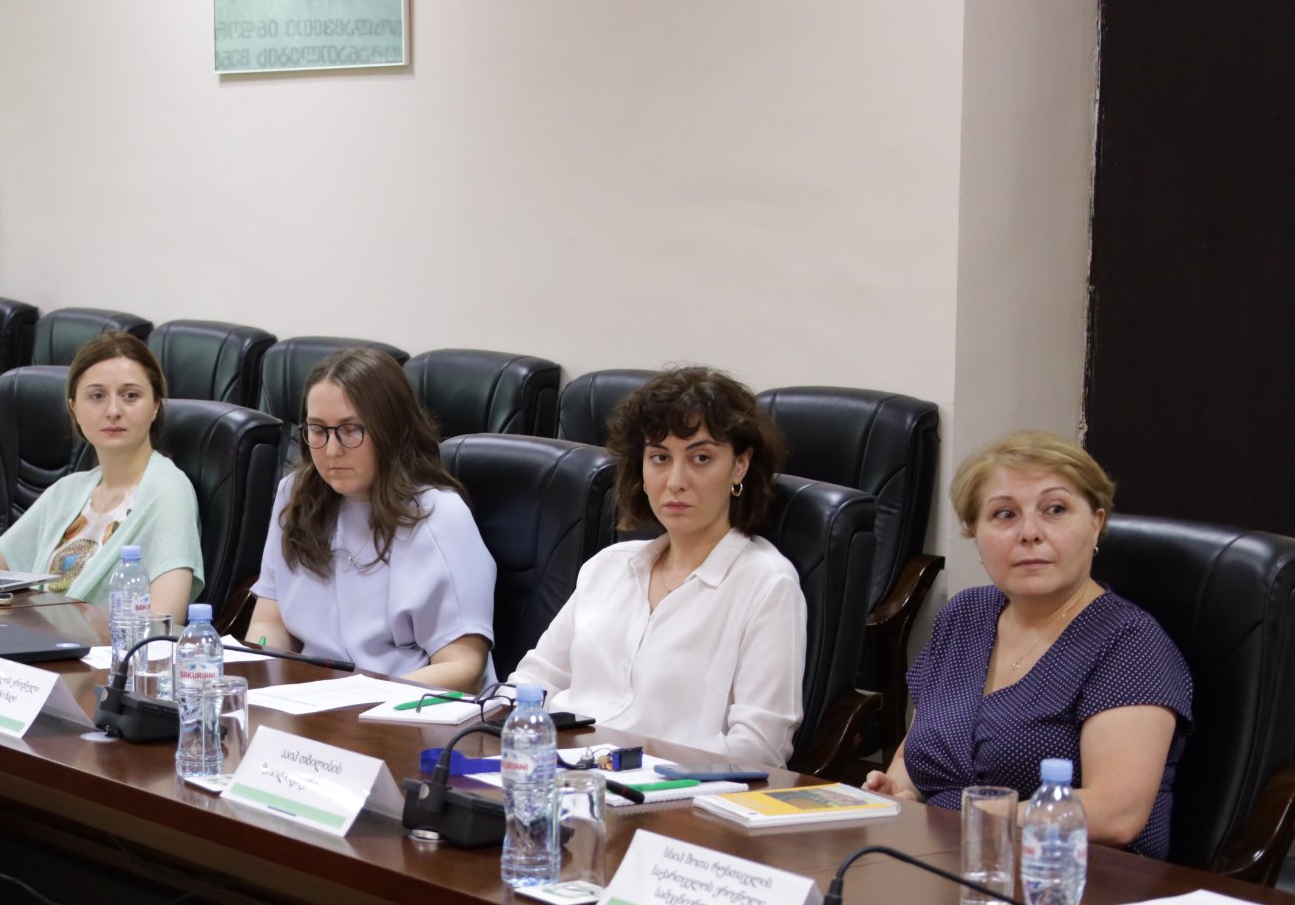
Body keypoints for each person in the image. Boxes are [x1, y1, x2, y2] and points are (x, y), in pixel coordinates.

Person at [865, 432, 1192, 858]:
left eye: (1055, 510)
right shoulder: (964, 615)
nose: (1030, 533)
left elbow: (1116, 813)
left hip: (1075, 878)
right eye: (1004, 514)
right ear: (975, 534)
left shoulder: (1129, 644)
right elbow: (916, 753)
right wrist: (901, 793)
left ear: (1096, 523)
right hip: (948, 863)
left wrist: (970, 818)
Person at [510, 365, 806, 768]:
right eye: (660, 458)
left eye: (701, 458)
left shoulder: (766, 584)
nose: (676, 481)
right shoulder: (609, 566)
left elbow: (760, 747)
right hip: (559, 772)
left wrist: (633, 767)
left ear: (740, 465)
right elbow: (534, 682)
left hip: (668, 790)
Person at [245, 347, 495, 691]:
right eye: (318, 430)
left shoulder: (440, 516)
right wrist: (257, 672)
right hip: (315, 697)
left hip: (407, 703)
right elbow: (271, 622)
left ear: (391, 430)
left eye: (350, 430)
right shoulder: (295, 495)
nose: (331, 450)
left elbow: (463, 668)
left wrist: (356, 697)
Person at [0, 331, 201, 620]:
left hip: (100, 647)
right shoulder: (68, 490)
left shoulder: (169, 491)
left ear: (155, 405)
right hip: (30, 637)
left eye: (131, 396)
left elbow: (165, 619)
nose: (113, 411)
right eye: (97, 396)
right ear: (74, 408)